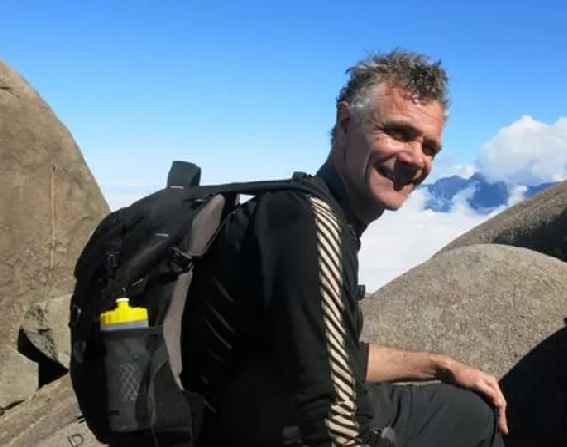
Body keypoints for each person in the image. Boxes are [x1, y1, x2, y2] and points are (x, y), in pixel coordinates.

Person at [181, 49, 508, 447]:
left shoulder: (301, 210)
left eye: (430, 148)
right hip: (254, 430)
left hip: (252, 406)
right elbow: (335, 431)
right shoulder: (306, 224)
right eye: (399, 133)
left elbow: (330, 355)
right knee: (478, 420)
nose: (416, 159)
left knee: (465, 409)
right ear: (346, 121)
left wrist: (441, 366)